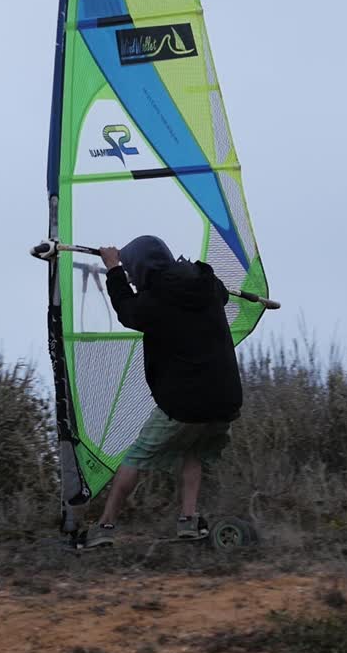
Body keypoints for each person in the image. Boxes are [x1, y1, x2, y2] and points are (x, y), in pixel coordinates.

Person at [85, 235, 242, 548]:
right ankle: (188, 520)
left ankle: (104, 527)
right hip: (225, 400)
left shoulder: (156, 302)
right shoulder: (207, 284)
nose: (131, 279)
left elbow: (127, 311)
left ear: (142, 268)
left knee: (136, 456)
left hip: (184, 404)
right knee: (193, 449)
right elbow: (223, 294)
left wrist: (114, 269)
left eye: (132, 272)